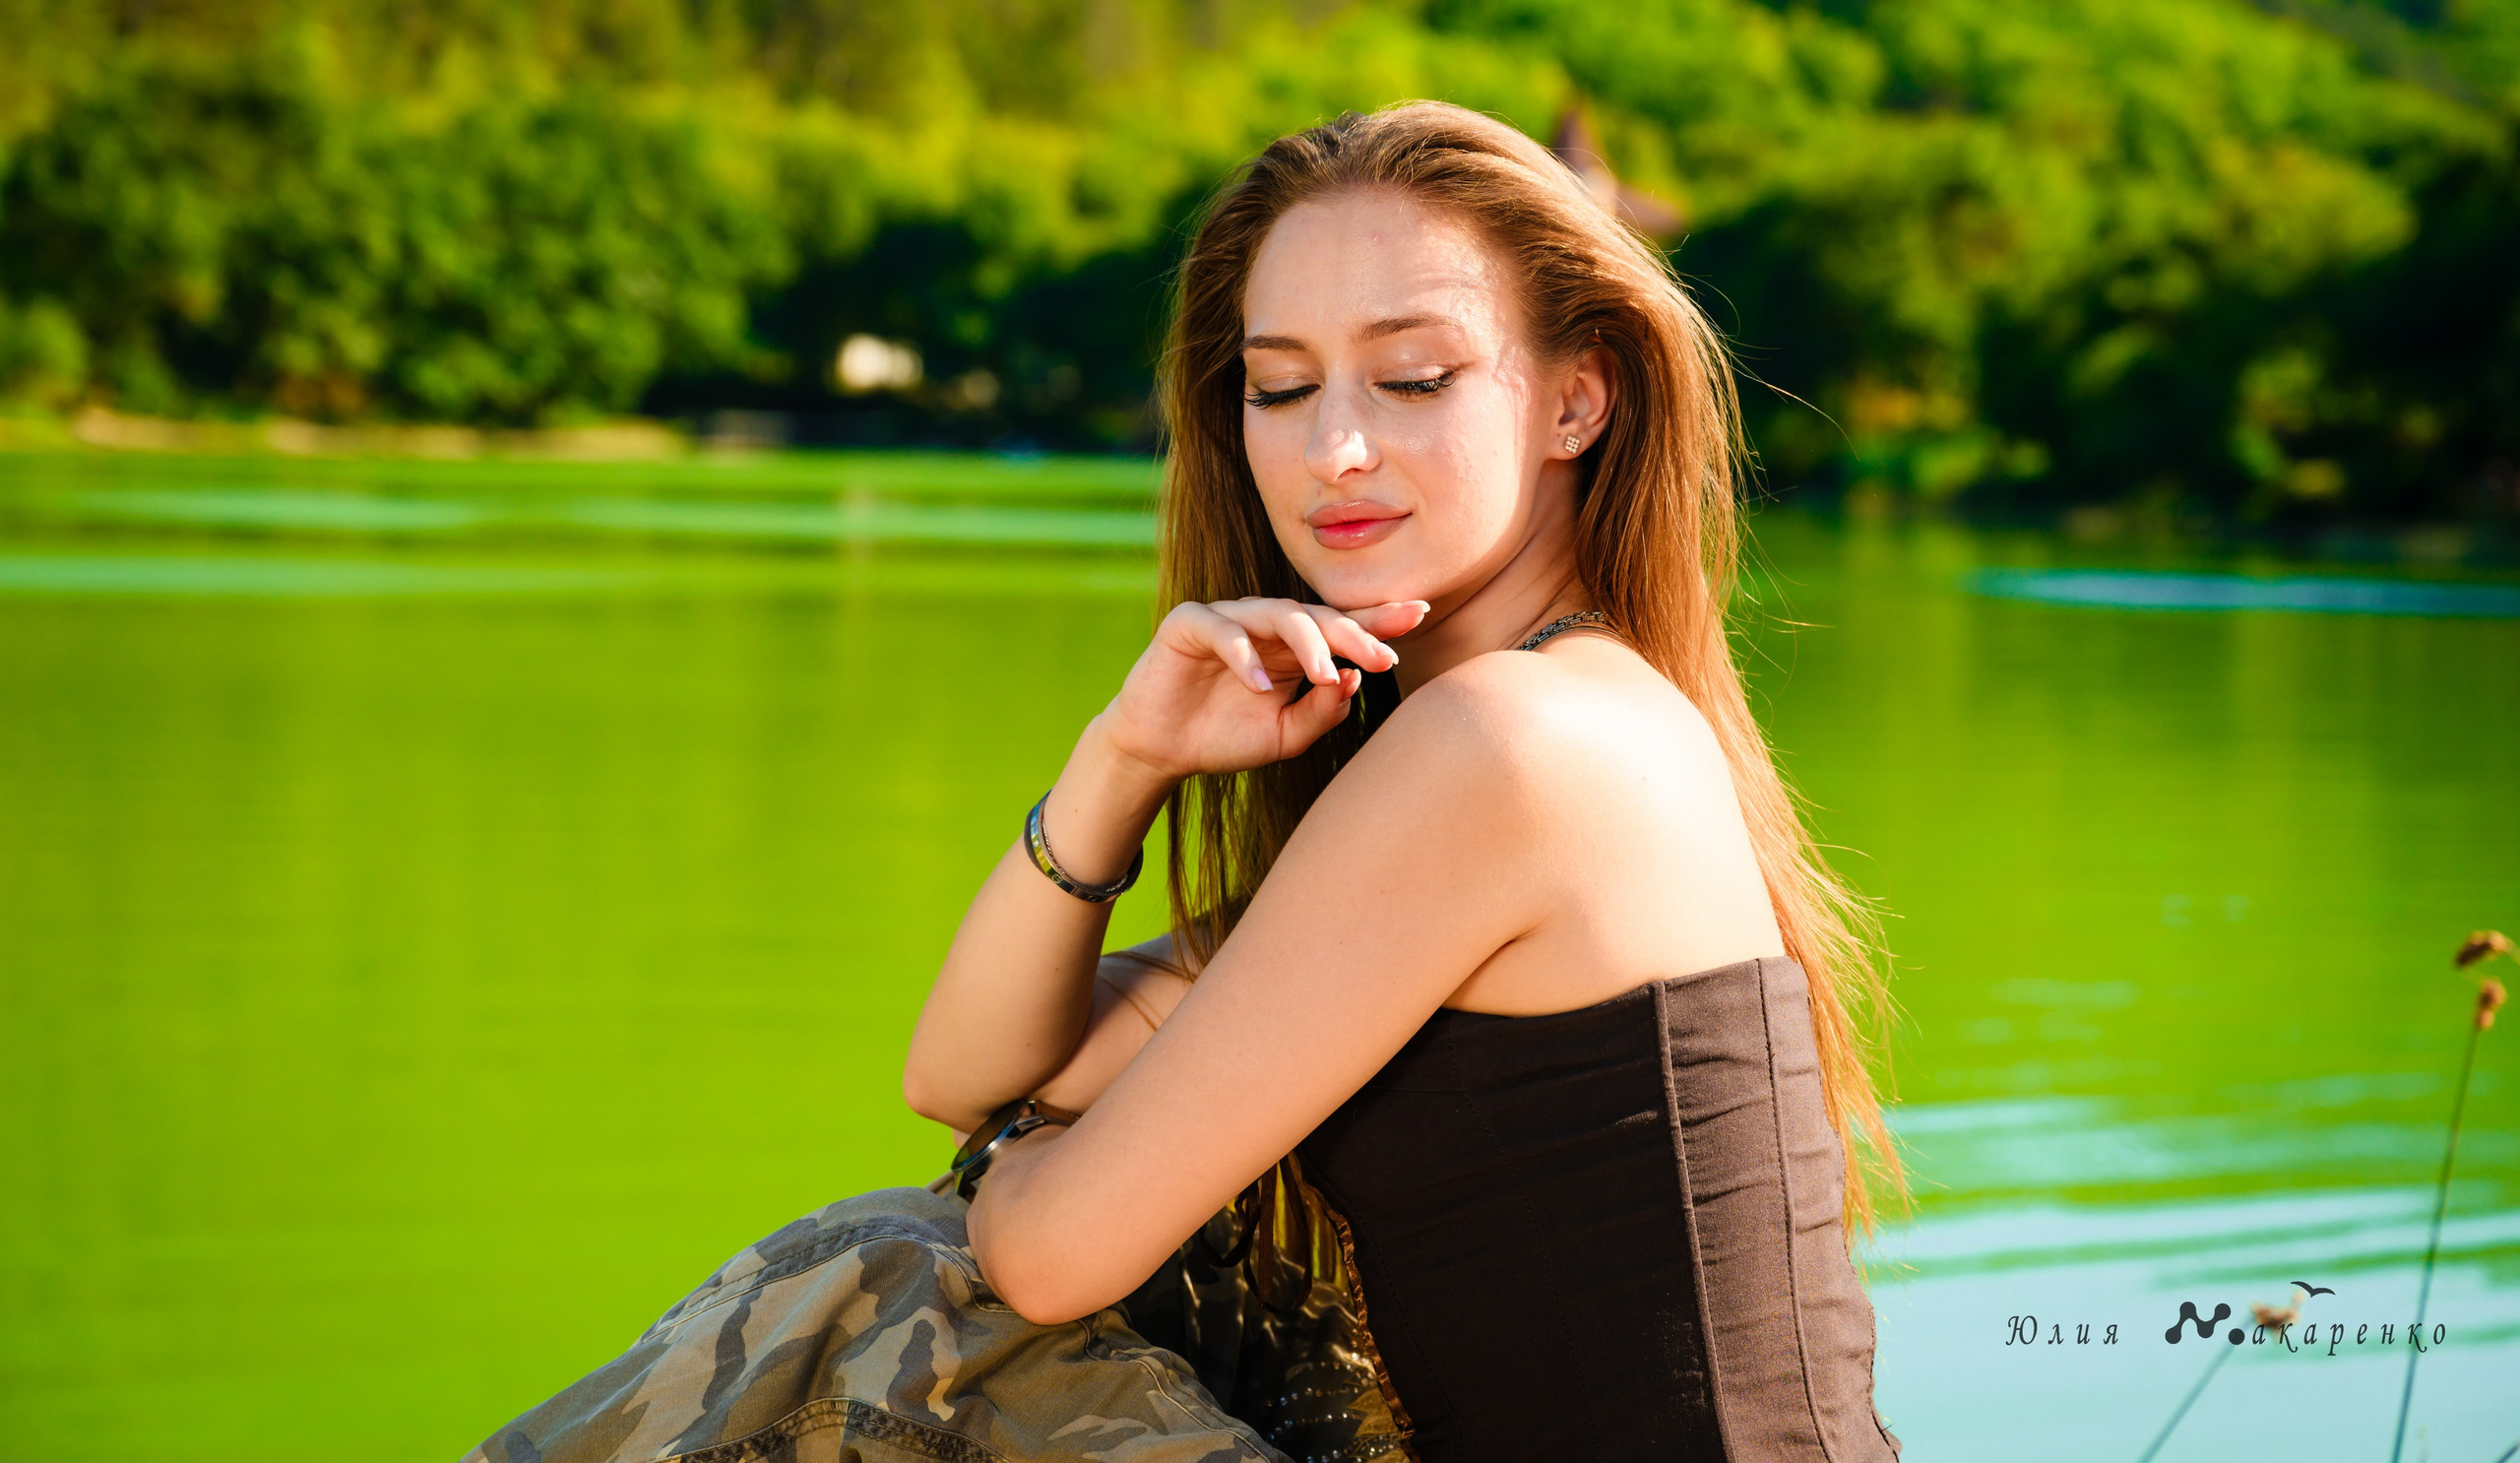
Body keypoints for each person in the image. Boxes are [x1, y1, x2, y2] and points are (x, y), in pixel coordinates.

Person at [466, 100, 1905, 1463]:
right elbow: (961, 1071)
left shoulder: (1516, 746)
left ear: (1577, 400)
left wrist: (1036, 1158)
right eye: (1280, 386)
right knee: (897, 1270)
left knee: (891, 1284)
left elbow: (1041, 1248)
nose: (1332, 448)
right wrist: (1126, 757)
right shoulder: (1505, 730)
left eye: (1414, 378)